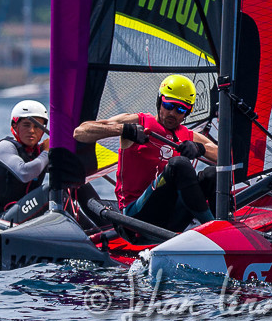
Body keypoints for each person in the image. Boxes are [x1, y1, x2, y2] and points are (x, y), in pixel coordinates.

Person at [73, 74, 217, 233]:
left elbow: (225, 157)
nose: (172, 113)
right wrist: (124, 130)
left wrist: (200, 148)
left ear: (188, 112)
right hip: (135, 218)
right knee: (179, 164)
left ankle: (221, 227)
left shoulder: (188, 135)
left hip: (171, 217)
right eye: (168, 105)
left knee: (212, 174)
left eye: (181, 109)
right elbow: (80, 132)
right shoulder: (137, 121)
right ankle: (213, 228)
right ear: (160, 101)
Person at [0, 100, 52, 222]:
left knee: (71, 184)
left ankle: (88, 226)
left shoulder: (38, 152)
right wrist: (46, 152)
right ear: (15, 126)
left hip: (26, 212)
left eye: (37, 126)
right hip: (1, 217)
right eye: (26, 125)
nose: (32, 131)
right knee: (48, 190)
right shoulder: (5, 147)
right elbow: (25, 173)